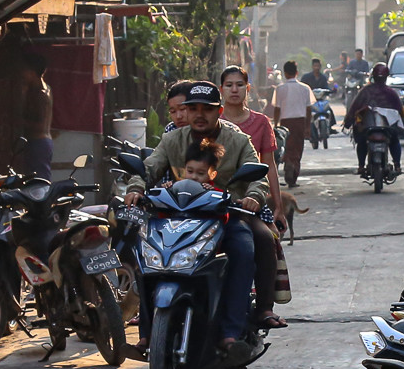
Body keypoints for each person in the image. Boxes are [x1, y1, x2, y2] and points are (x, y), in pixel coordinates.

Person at [124, 81, 264, 350]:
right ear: (185, 112)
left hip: (225, 217)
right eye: (193, 109)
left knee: (245, 249)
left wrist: (253, 197)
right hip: (177, 218)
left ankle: (231, 332)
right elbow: (149, 168)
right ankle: (147, 332)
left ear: (219, 111)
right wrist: (136, 188)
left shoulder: (238, 140)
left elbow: (257, 176)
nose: (200, 115)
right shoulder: (171, 139)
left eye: (207, 109)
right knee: (144, 252)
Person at [220, 65, 284, 329]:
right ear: (221, 89)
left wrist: (277, 206)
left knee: (265, 238)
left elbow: (268, 167)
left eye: (239, 85)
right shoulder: (210, 121)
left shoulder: (260, 123)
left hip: (249, 202)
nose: (234, 90)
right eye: (228, 85)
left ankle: (265, 308)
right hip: (211, 201)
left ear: (247, 88)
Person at [344, 62, 404, 175]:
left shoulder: (365, 91)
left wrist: (347, 123)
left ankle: (361, 166)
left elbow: (354, 108)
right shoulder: (391, 93)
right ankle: (397, 165)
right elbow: (401, 111)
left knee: (362, 142)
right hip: (387, 130)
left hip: (367, 129)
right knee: (394, 140)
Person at [271, 61, 312, 188]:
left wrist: (276, 124)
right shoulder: (305, 88)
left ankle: (288, 162)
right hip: (300, 121)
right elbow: (309, 109)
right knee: (298, 148)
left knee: (287, 146)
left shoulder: (280, 89)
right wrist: (307, 126)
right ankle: (293, 176)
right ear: (296, 72)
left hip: (285, 121)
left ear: (285, 73)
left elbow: (277, 108)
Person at [18, 52, 54, 179]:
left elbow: (39, 125)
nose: (22, 74)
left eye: (25, 70)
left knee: (39, 181)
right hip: (41, 142)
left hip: (38, 142)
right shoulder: (45, 89)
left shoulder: (40, 94)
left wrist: (20, 122)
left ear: (32, 72)